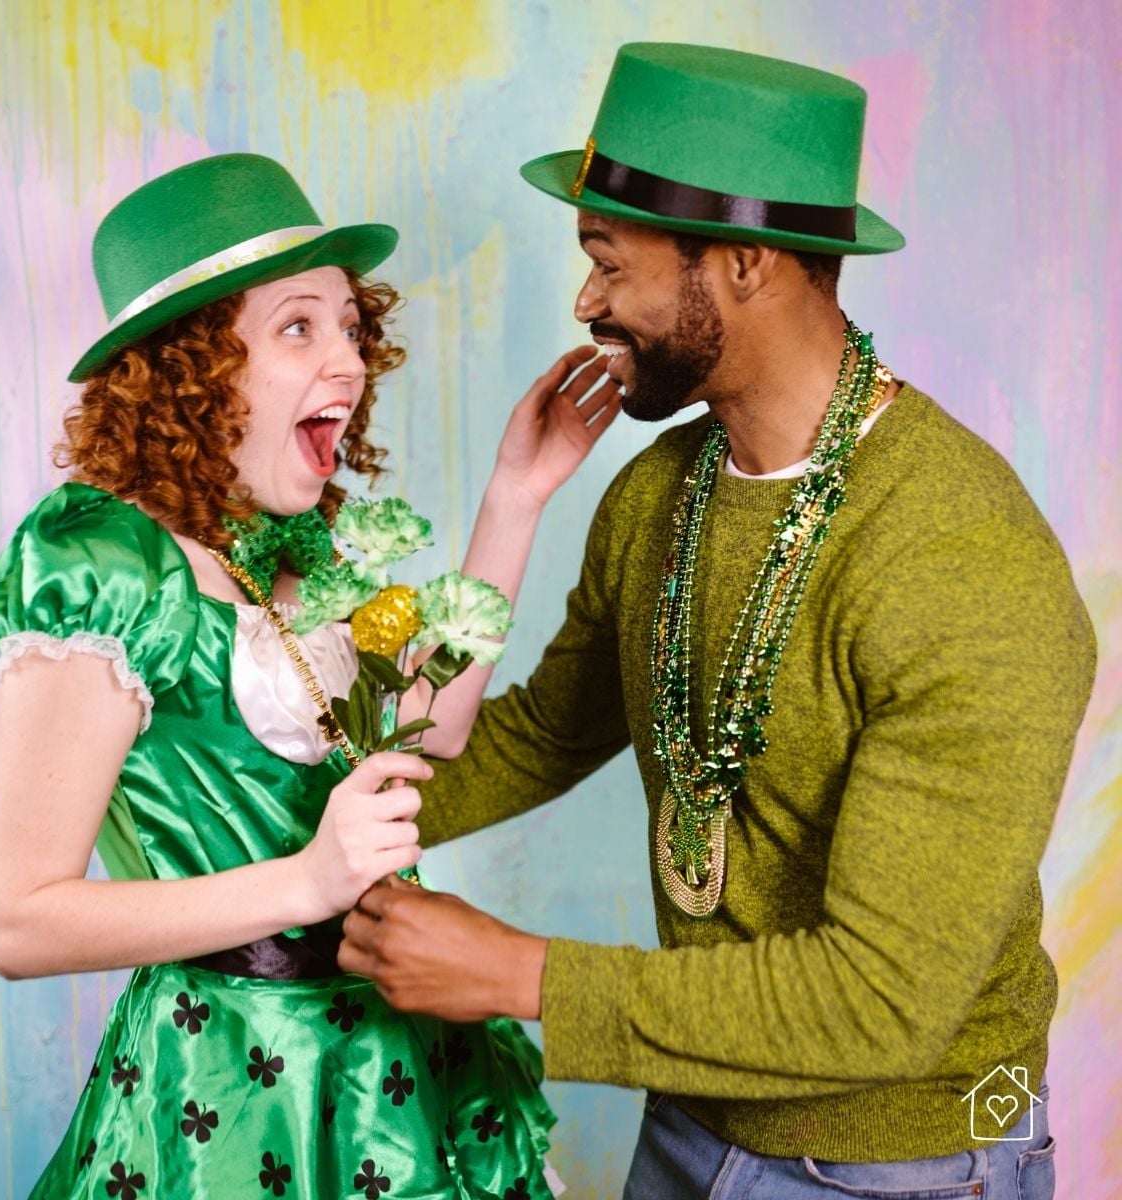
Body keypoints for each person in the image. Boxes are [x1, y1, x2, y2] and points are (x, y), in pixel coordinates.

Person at [338, 44, 1097, 1199]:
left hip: (916, 1159)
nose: (587, 302)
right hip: (692, 1120)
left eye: (608, 263)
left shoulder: (962, 561)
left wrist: (521, 974)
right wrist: (287, 826)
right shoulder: (660, 494)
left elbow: (883, 1000)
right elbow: (538, 734)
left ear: (743, 262)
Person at [0, 152, 620, 1198]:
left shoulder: (295, 546)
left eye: (349, 326)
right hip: (229, 1089)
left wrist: (516, 497)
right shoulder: (103, 565)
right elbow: (17, 920)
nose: (352, 363)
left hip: (391, 1063)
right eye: (297, 326)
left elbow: (433, 727)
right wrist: (308, 883)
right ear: (191, 368)